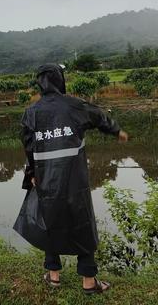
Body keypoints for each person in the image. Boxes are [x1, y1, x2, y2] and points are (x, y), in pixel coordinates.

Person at [13, 64, 128, 295]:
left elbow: (28, 146)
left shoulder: (32, 113)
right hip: (75, 180)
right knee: (81, 222)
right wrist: (116, 131)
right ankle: (88, 281)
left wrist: (32, 174)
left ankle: (53, 276)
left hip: (47, 181)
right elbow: (98, 115)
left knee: (50, 221)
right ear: (59, 80)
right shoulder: (73, 105)